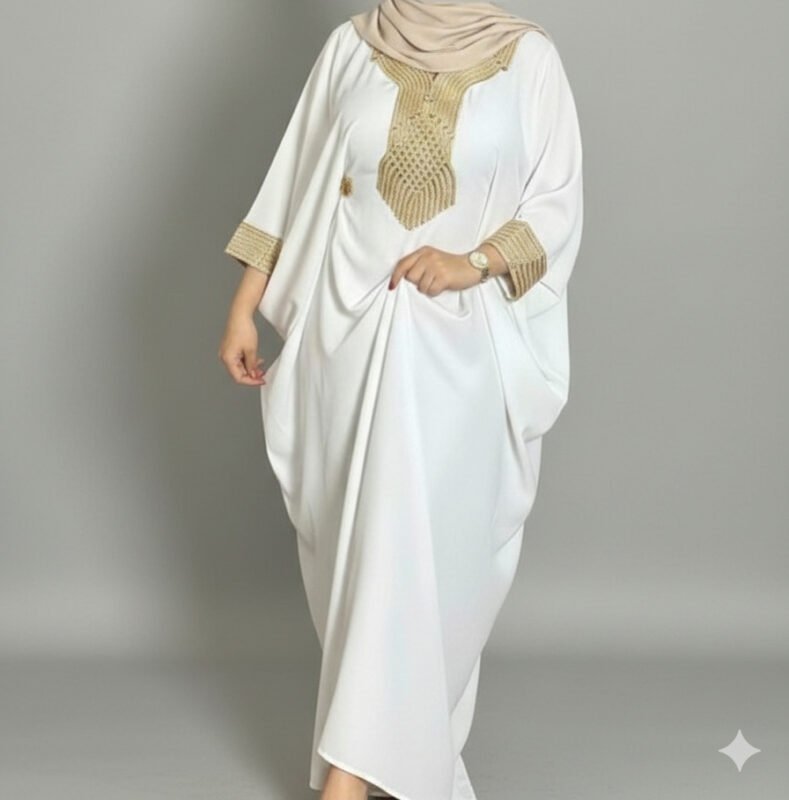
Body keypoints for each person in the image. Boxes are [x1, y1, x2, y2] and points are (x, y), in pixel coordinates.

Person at [217, 1, 583, 798]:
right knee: (363, 553)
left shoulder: (526, 57)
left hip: (459, 350)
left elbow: (555, 202)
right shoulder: (351, 46)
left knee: (426, 554)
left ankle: (348, 781)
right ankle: (383, 766)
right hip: (344, 340)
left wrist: (471, 262)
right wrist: (245, 307)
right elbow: (291, 184)